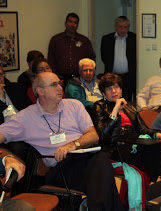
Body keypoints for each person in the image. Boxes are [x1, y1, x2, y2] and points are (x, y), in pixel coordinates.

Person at [0, 72, 123, 210]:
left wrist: (73, 144)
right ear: (40, 91)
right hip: (60, 168)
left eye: (60, 83)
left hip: (85, 157)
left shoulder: (74, 105)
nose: (60, 88)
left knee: (100, 163)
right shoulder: (26, 117)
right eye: (54, 85)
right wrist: (7, 157)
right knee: (102, 171)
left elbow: (93, 136)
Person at [92, 73, 161, 203]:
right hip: (117, 150)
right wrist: (115, 111)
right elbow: (102, 135)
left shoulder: (129, 106)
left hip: (136, 146)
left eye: (116, 87)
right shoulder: (99, 106)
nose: (113, 91)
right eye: (109, 88)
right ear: (103, 93)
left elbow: (143, 129)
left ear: (121, 89)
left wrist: (159, 135)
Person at [48, 13, 96, 82]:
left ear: (77, 25)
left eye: (75, 22)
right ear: (65, 23)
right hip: (60, 78)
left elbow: (91, 59)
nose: (72, 25)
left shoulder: (85, 41)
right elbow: (51, 59)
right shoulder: (56, 40)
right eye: (70, 22)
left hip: (80, 79)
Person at [101, 16, 136, 102]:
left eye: (125, 27)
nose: (123, 29)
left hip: (128, 76)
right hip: (112, 76)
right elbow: (104, 57)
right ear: (115, 27)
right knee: (111, 98)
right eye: (120, 27)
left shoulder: (134, 38)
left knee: (127, 100)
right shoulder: (107, 39)